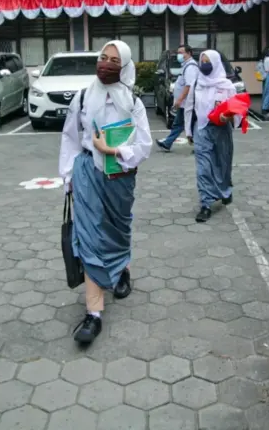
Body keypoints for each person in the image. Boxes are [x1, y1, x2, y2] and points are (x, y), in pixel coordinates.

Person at [59, 40, 152, 344]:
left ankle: (122, 269)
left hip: (119, 176)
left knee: (118, 229)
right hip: (87, 173)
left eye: (114, 60)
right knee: (88, 238)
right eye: (103, 57)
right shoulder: (84, 96)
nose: (106, 64)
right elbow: (70, 138)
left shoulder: (133, 103)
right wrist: (68, 177)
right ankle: (93, 314)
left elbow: (144, 147)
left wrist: (111, 149)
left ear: (124, 66)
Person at [185, 50, 240, 223]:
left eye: (208, 61)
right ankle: (205, 204)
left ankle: (225, 190)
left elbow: (236, 112)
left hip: (221, 130)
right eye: (202, 61)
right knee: (203, 168)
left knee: (223, 163)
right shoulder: (197, 83)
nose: (204, 65)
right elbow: (189, 107)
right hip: (201, 129)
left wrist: (227, 117)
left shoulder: (227, 86)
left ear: (216, 63)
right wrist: (188, 131)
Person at [156, 45, 199, 152]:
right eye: (178, 53)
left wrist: (180, 100)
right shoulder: (186, 66)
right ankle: (168, 143)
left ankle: (199, 146)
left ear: (189, 53)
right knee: (183, 124)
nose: (179, 55)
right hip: (185, 103)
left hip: (187, 103)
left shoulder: (191, 67)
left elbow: (189, 86)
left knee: (184, 124)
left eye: (181, 52)